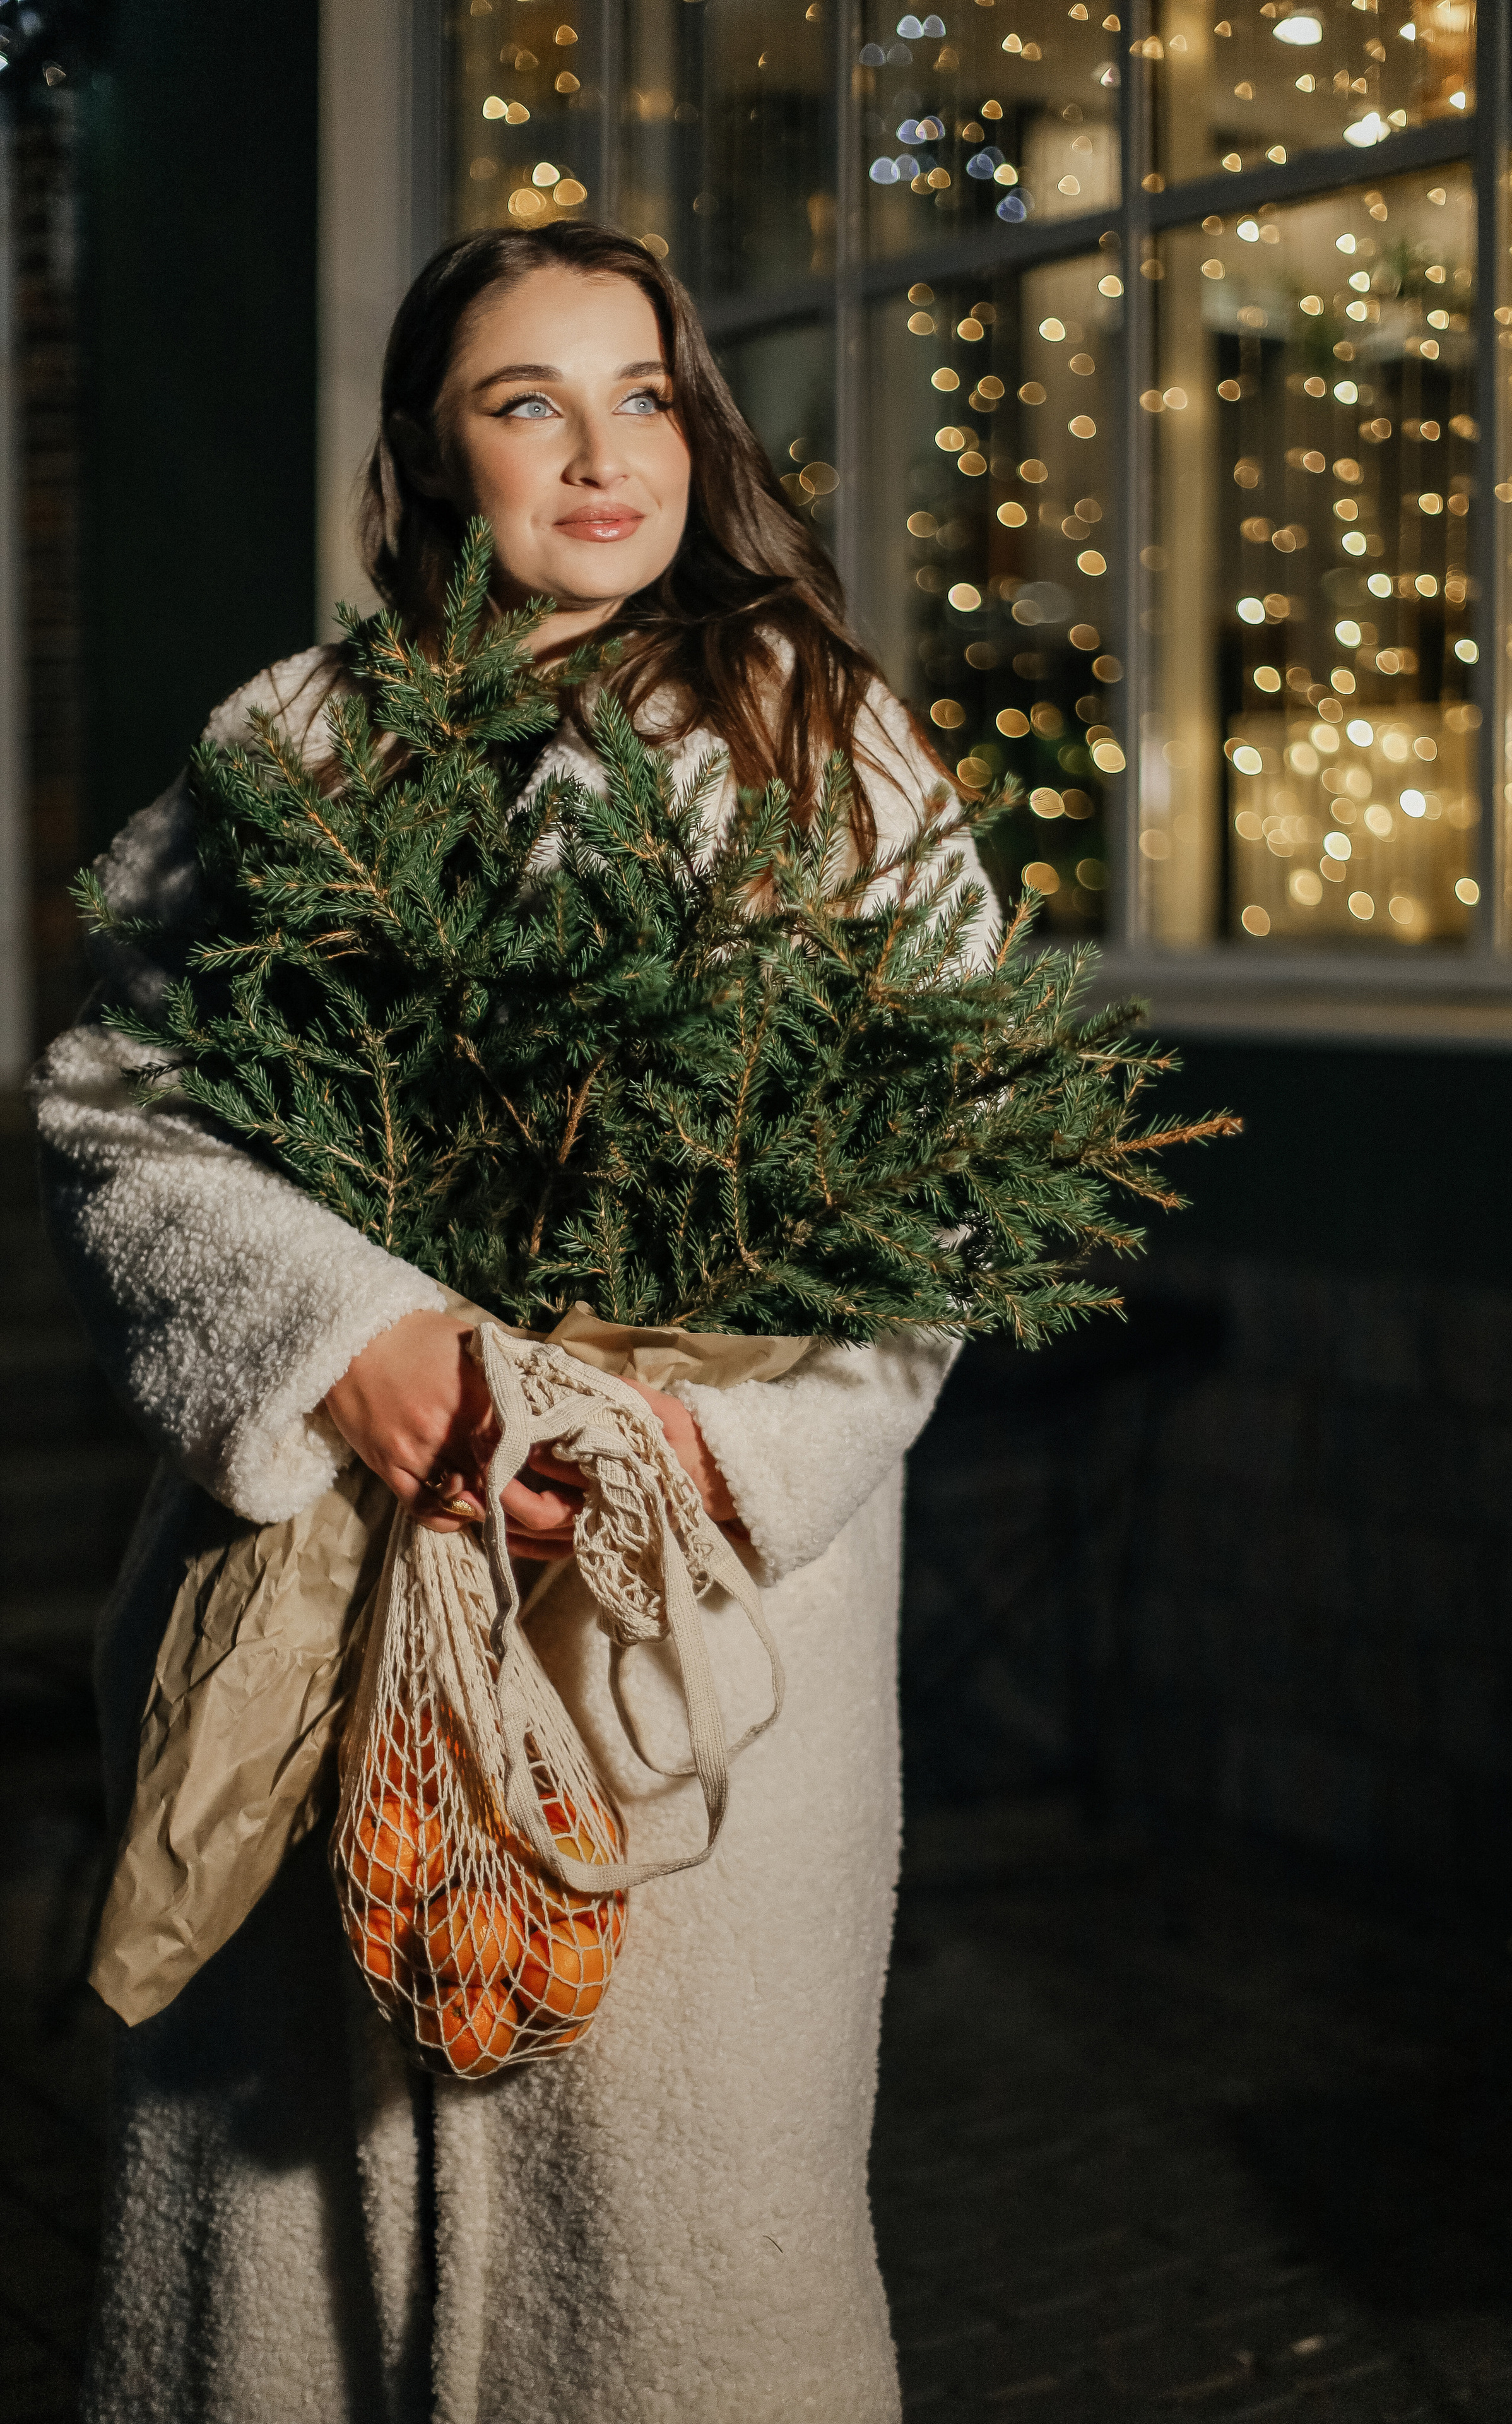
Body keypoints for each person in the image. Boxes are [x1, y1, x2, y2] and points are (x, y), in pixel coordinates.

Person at [33, 222, 993, 2424]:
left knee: (683, 2289)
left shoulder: (828, 752)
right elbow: (115, 1106)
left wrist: (691, 1470)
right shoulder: (297, 742)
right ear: (426, 454)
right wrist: (337, 1338)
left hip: (672, 1663)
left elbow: (934, 1191)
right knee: (290, 2282)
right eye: (524, 399)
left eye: (641, 392)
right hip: (319, 1614)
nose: (599, 453)